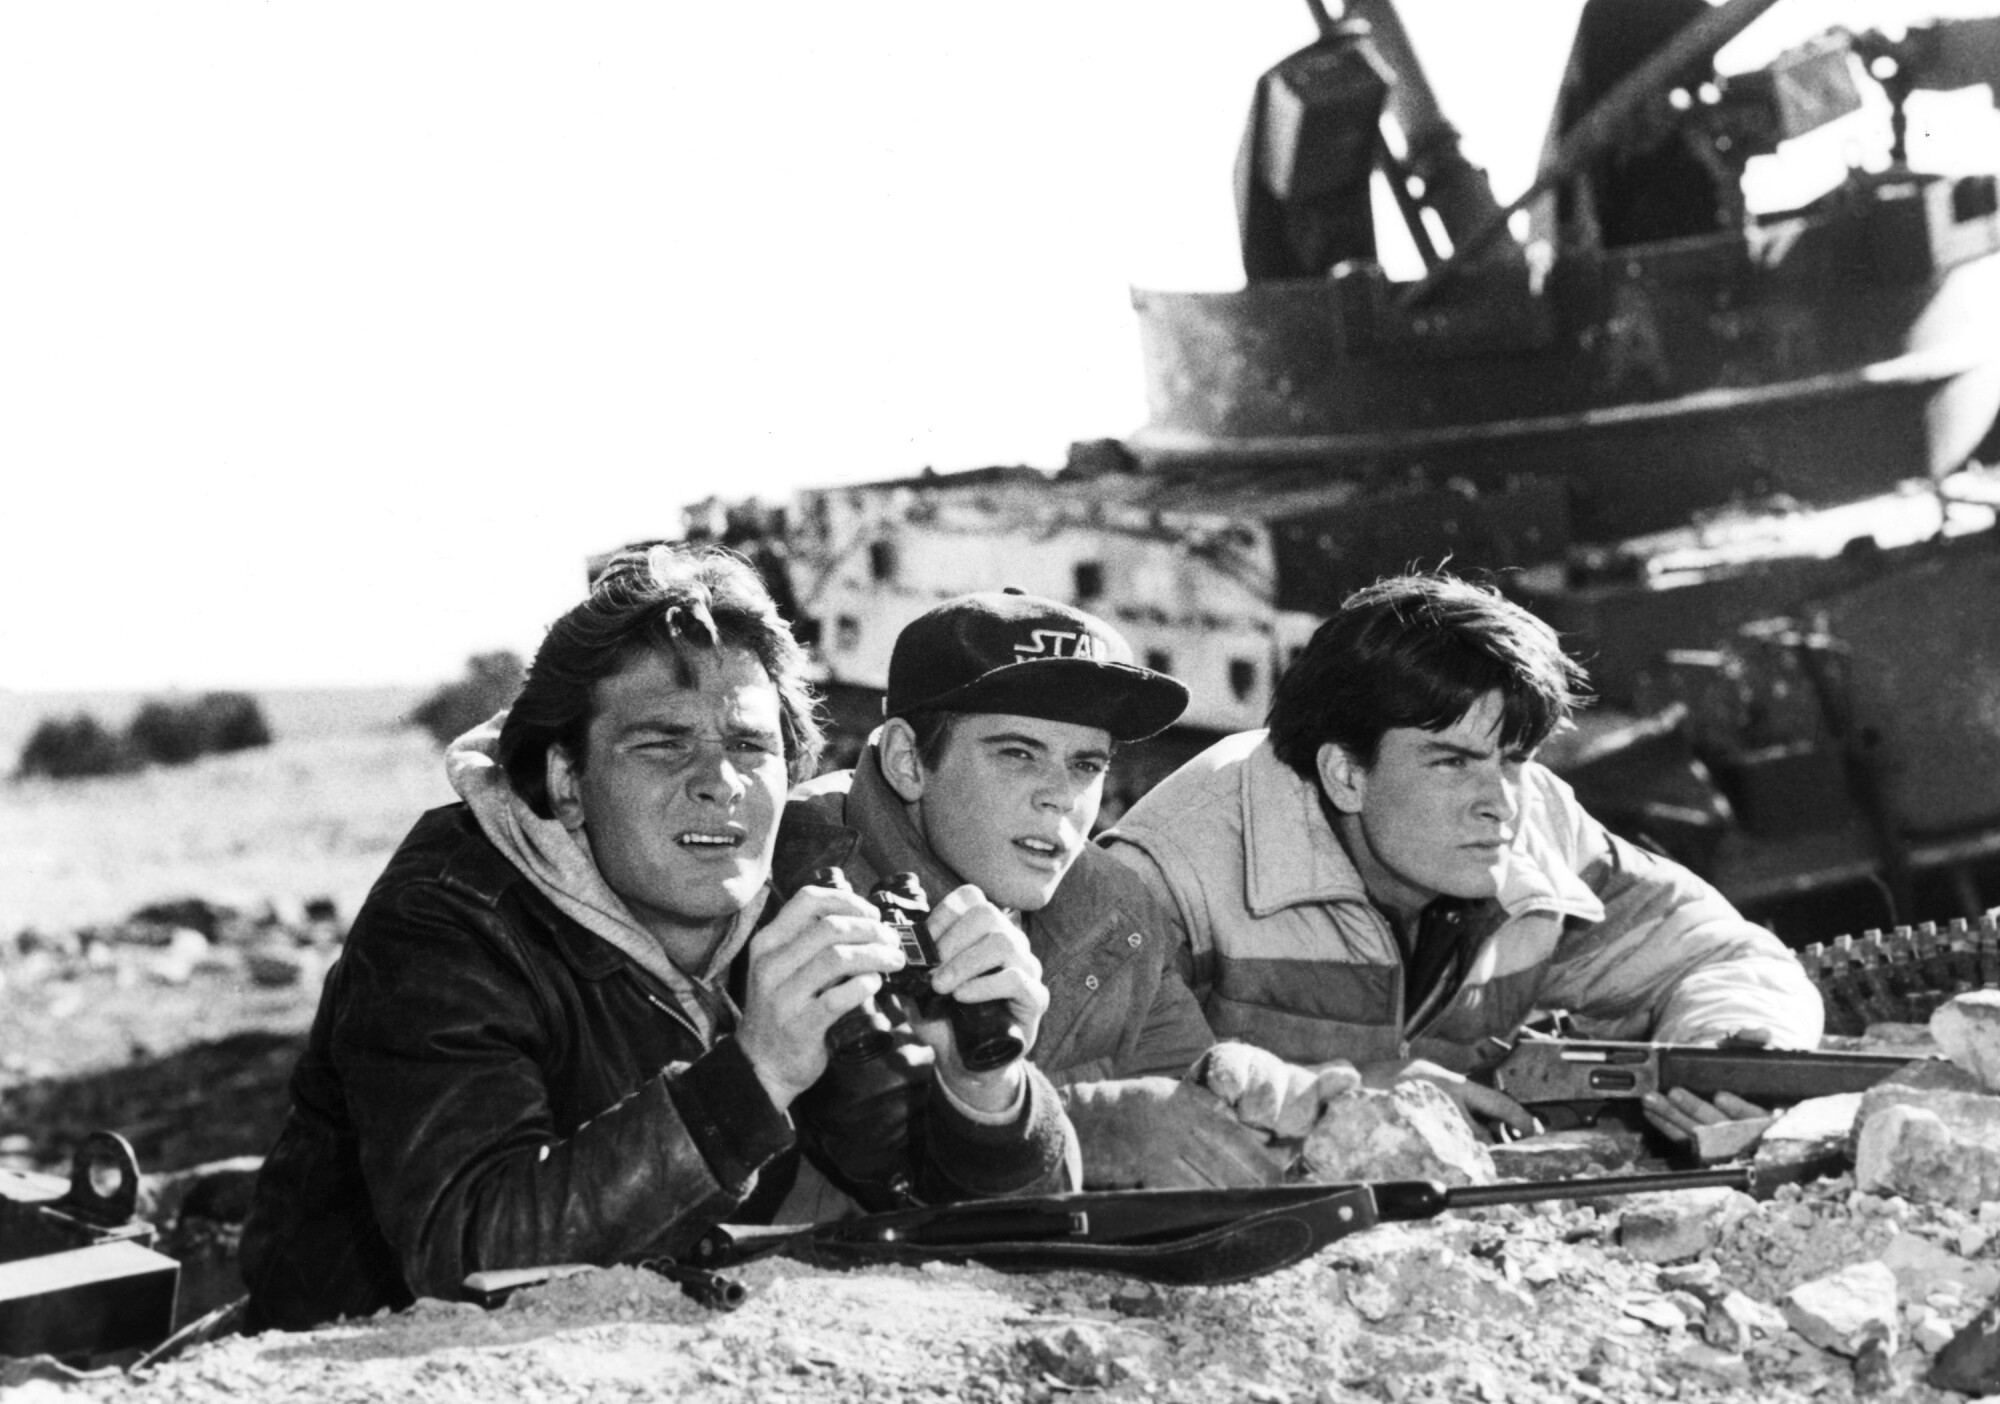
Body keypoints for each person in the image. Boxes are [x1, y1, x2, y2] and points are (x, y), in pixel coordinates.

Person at [239, 546, 1075, 1332]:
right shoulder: (449, 919)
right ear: (569, 783)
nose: (719, 784)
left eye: (751, 746)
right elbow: (467, 1255)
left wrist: (985, 1088)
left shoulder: (797, 893)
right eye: (663, 745)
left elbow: (927, 1199)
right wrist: (755, 1077)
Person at [1102, 572, 1825, 1142]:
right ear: (1345, 774)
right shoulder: (1175, 868)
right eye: (1450, 763)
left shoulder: (1533, 821)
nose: (1500, 803)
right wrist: (1348, 1098)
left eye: (1511, 760)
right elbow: (1079, 1102)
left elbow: (1725, 958)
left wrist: (1722, 1056)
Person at [780, 588, 1355, 1188]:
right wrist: (1100, 1131)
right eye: (1019, 754)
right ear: (908, 760)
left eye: (1086, 765)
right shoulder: (802, 877)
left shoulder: (1115, 907)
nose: (1062, 796)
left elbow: (1179, 1099)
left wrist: (1235, 1092)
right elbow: (878, 1167)